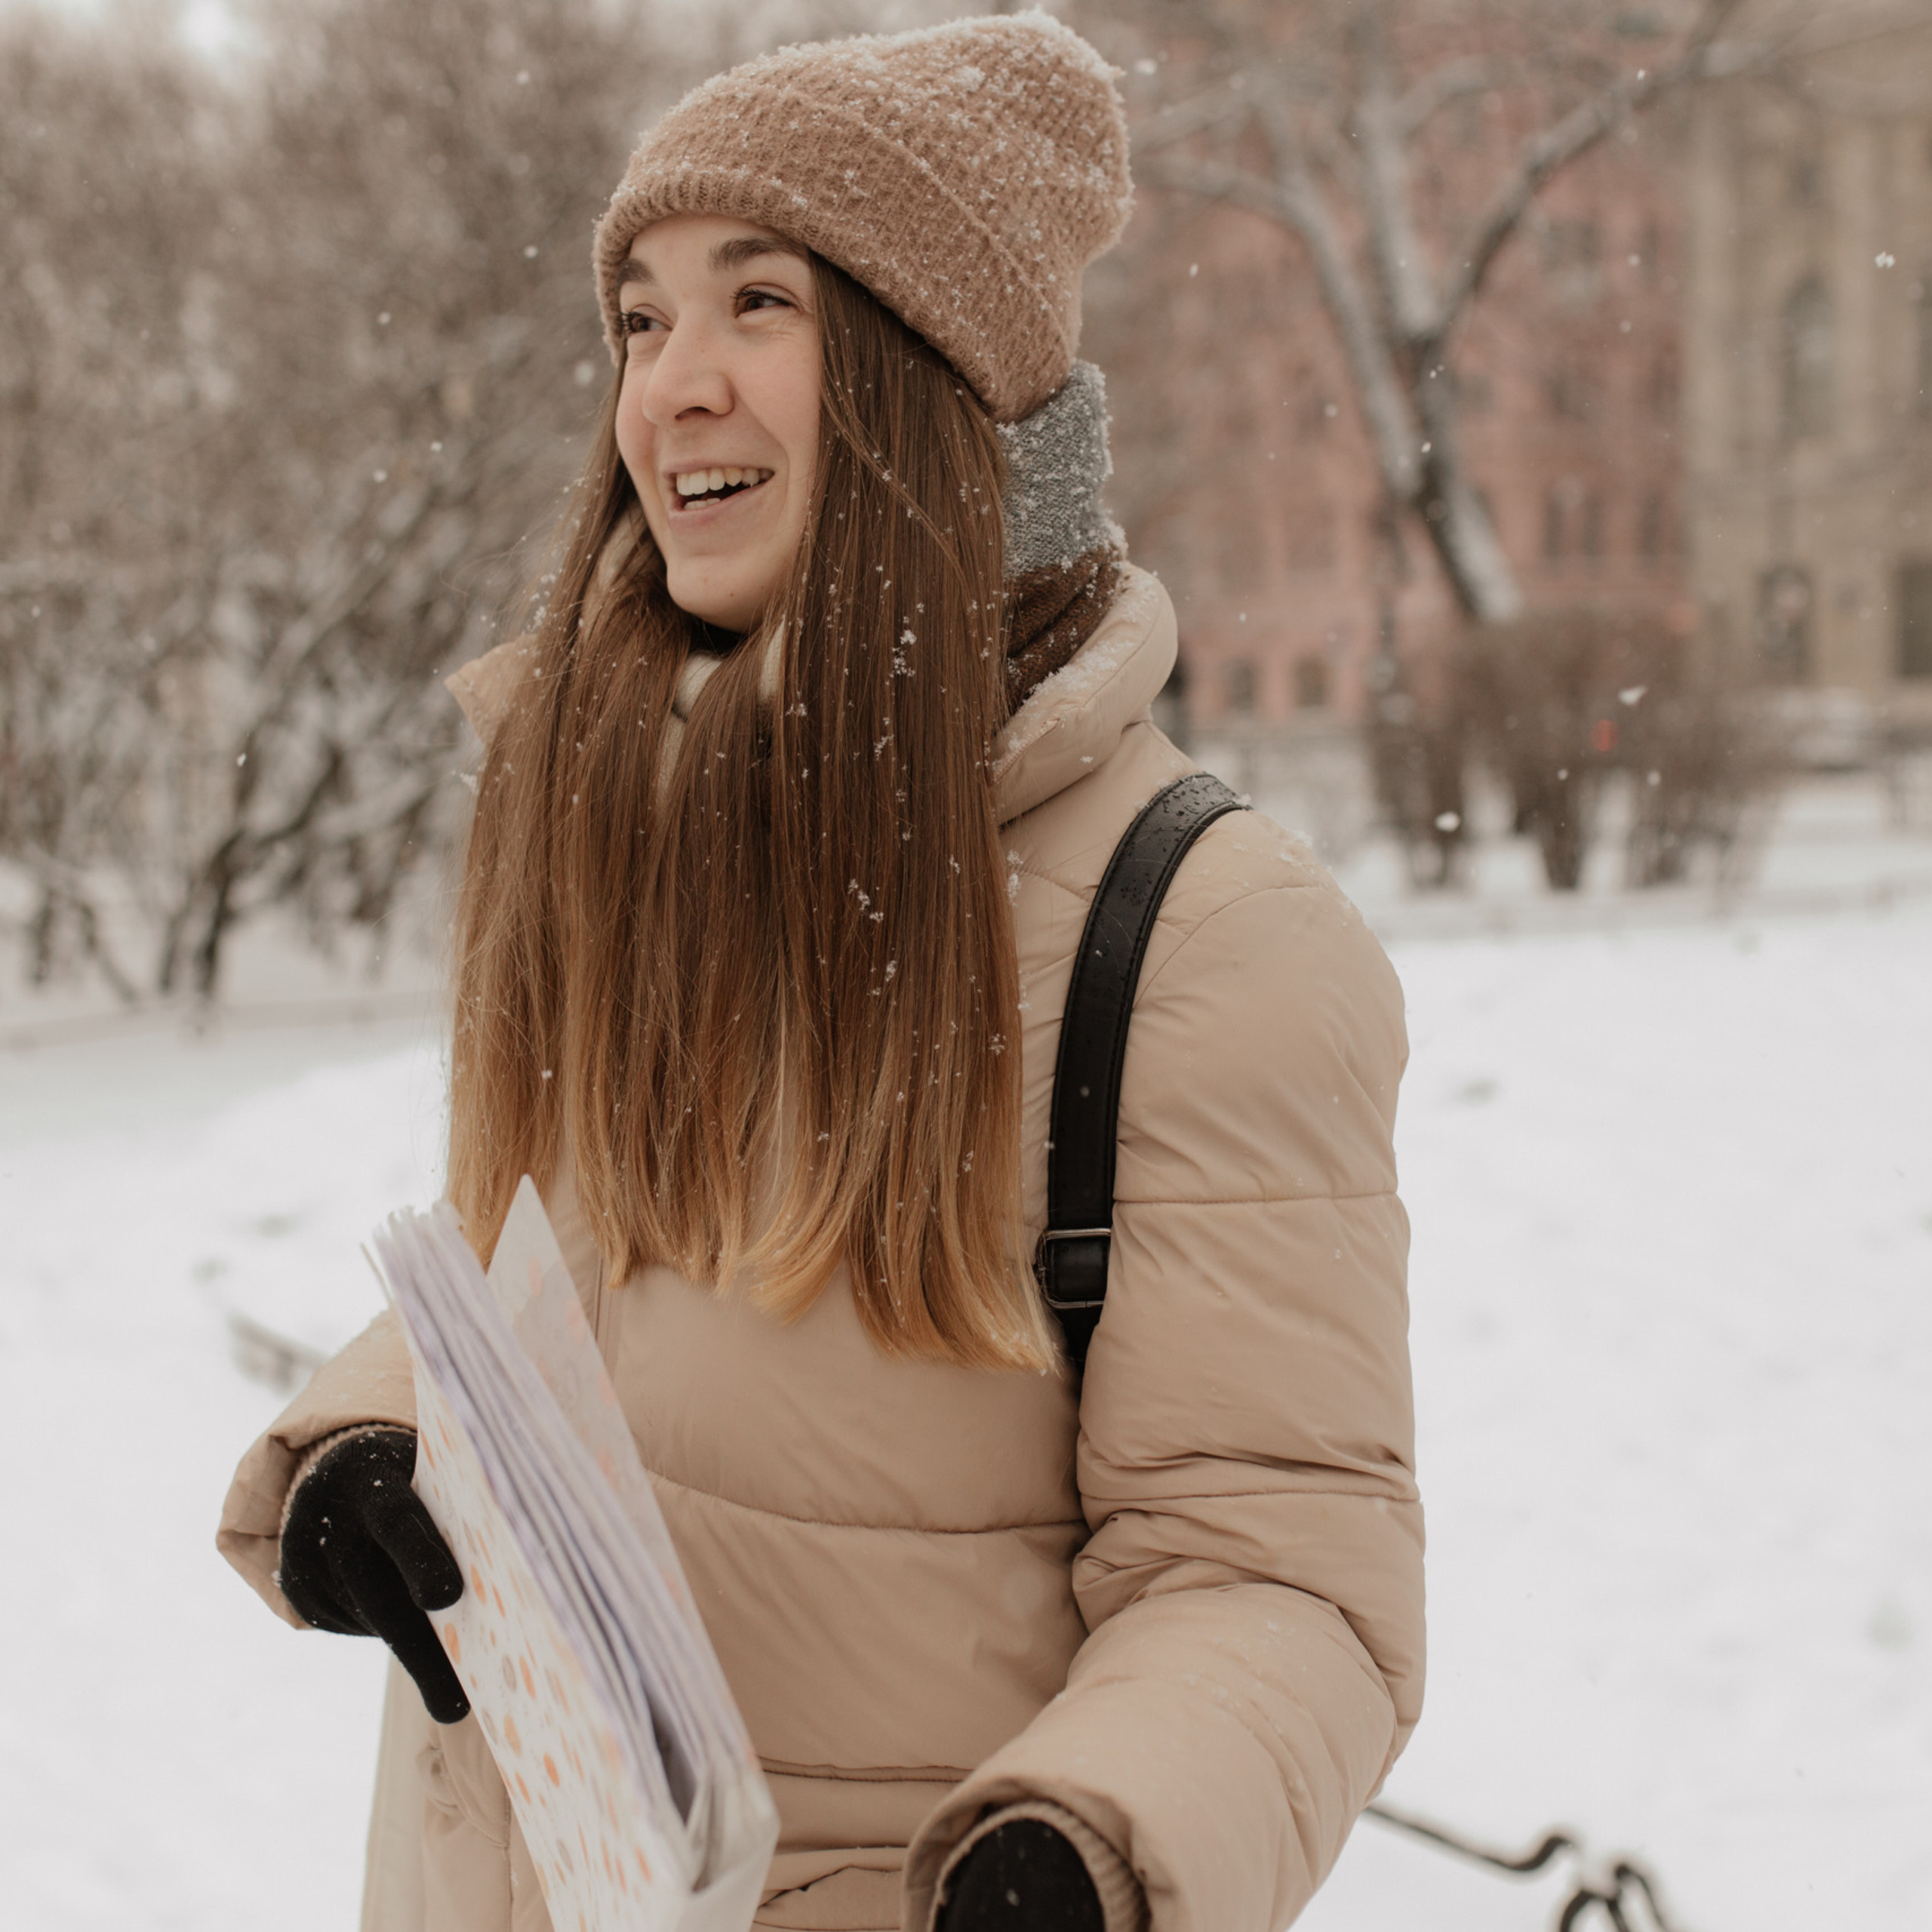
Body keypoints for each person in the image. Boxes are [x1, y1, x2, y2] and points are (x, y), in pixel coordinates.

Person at [217, 16, 1423, 1932]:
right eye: (637, 317)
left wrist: (1089, 1843)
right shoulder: (621, 815)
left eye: (753, 303)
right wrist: (385, 1441)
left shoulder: (1199, 935)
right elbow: (579, 1273)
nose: (668, 386)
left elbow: (1278, 1570)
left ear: (924, 383)